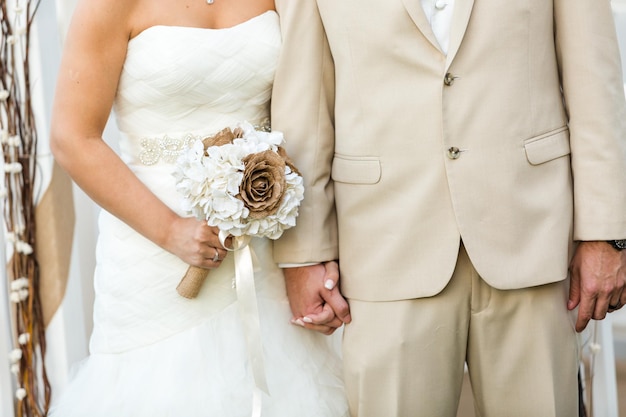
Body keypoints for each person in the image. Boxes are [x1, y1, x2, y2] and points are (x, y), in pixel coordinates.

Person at [271, 1, 626, 416]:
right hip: (384, 243)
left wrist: (607, 233)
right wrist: (303, 252)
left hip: (533, 238)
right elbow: (305, 101)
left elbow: (594, 84)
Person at [47, 0, 349, 415]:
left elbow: (309, 109)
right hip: (150, 255)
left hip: (265, 247)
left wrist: (311, 254)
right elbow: (73, 138)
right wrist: (171, 231)